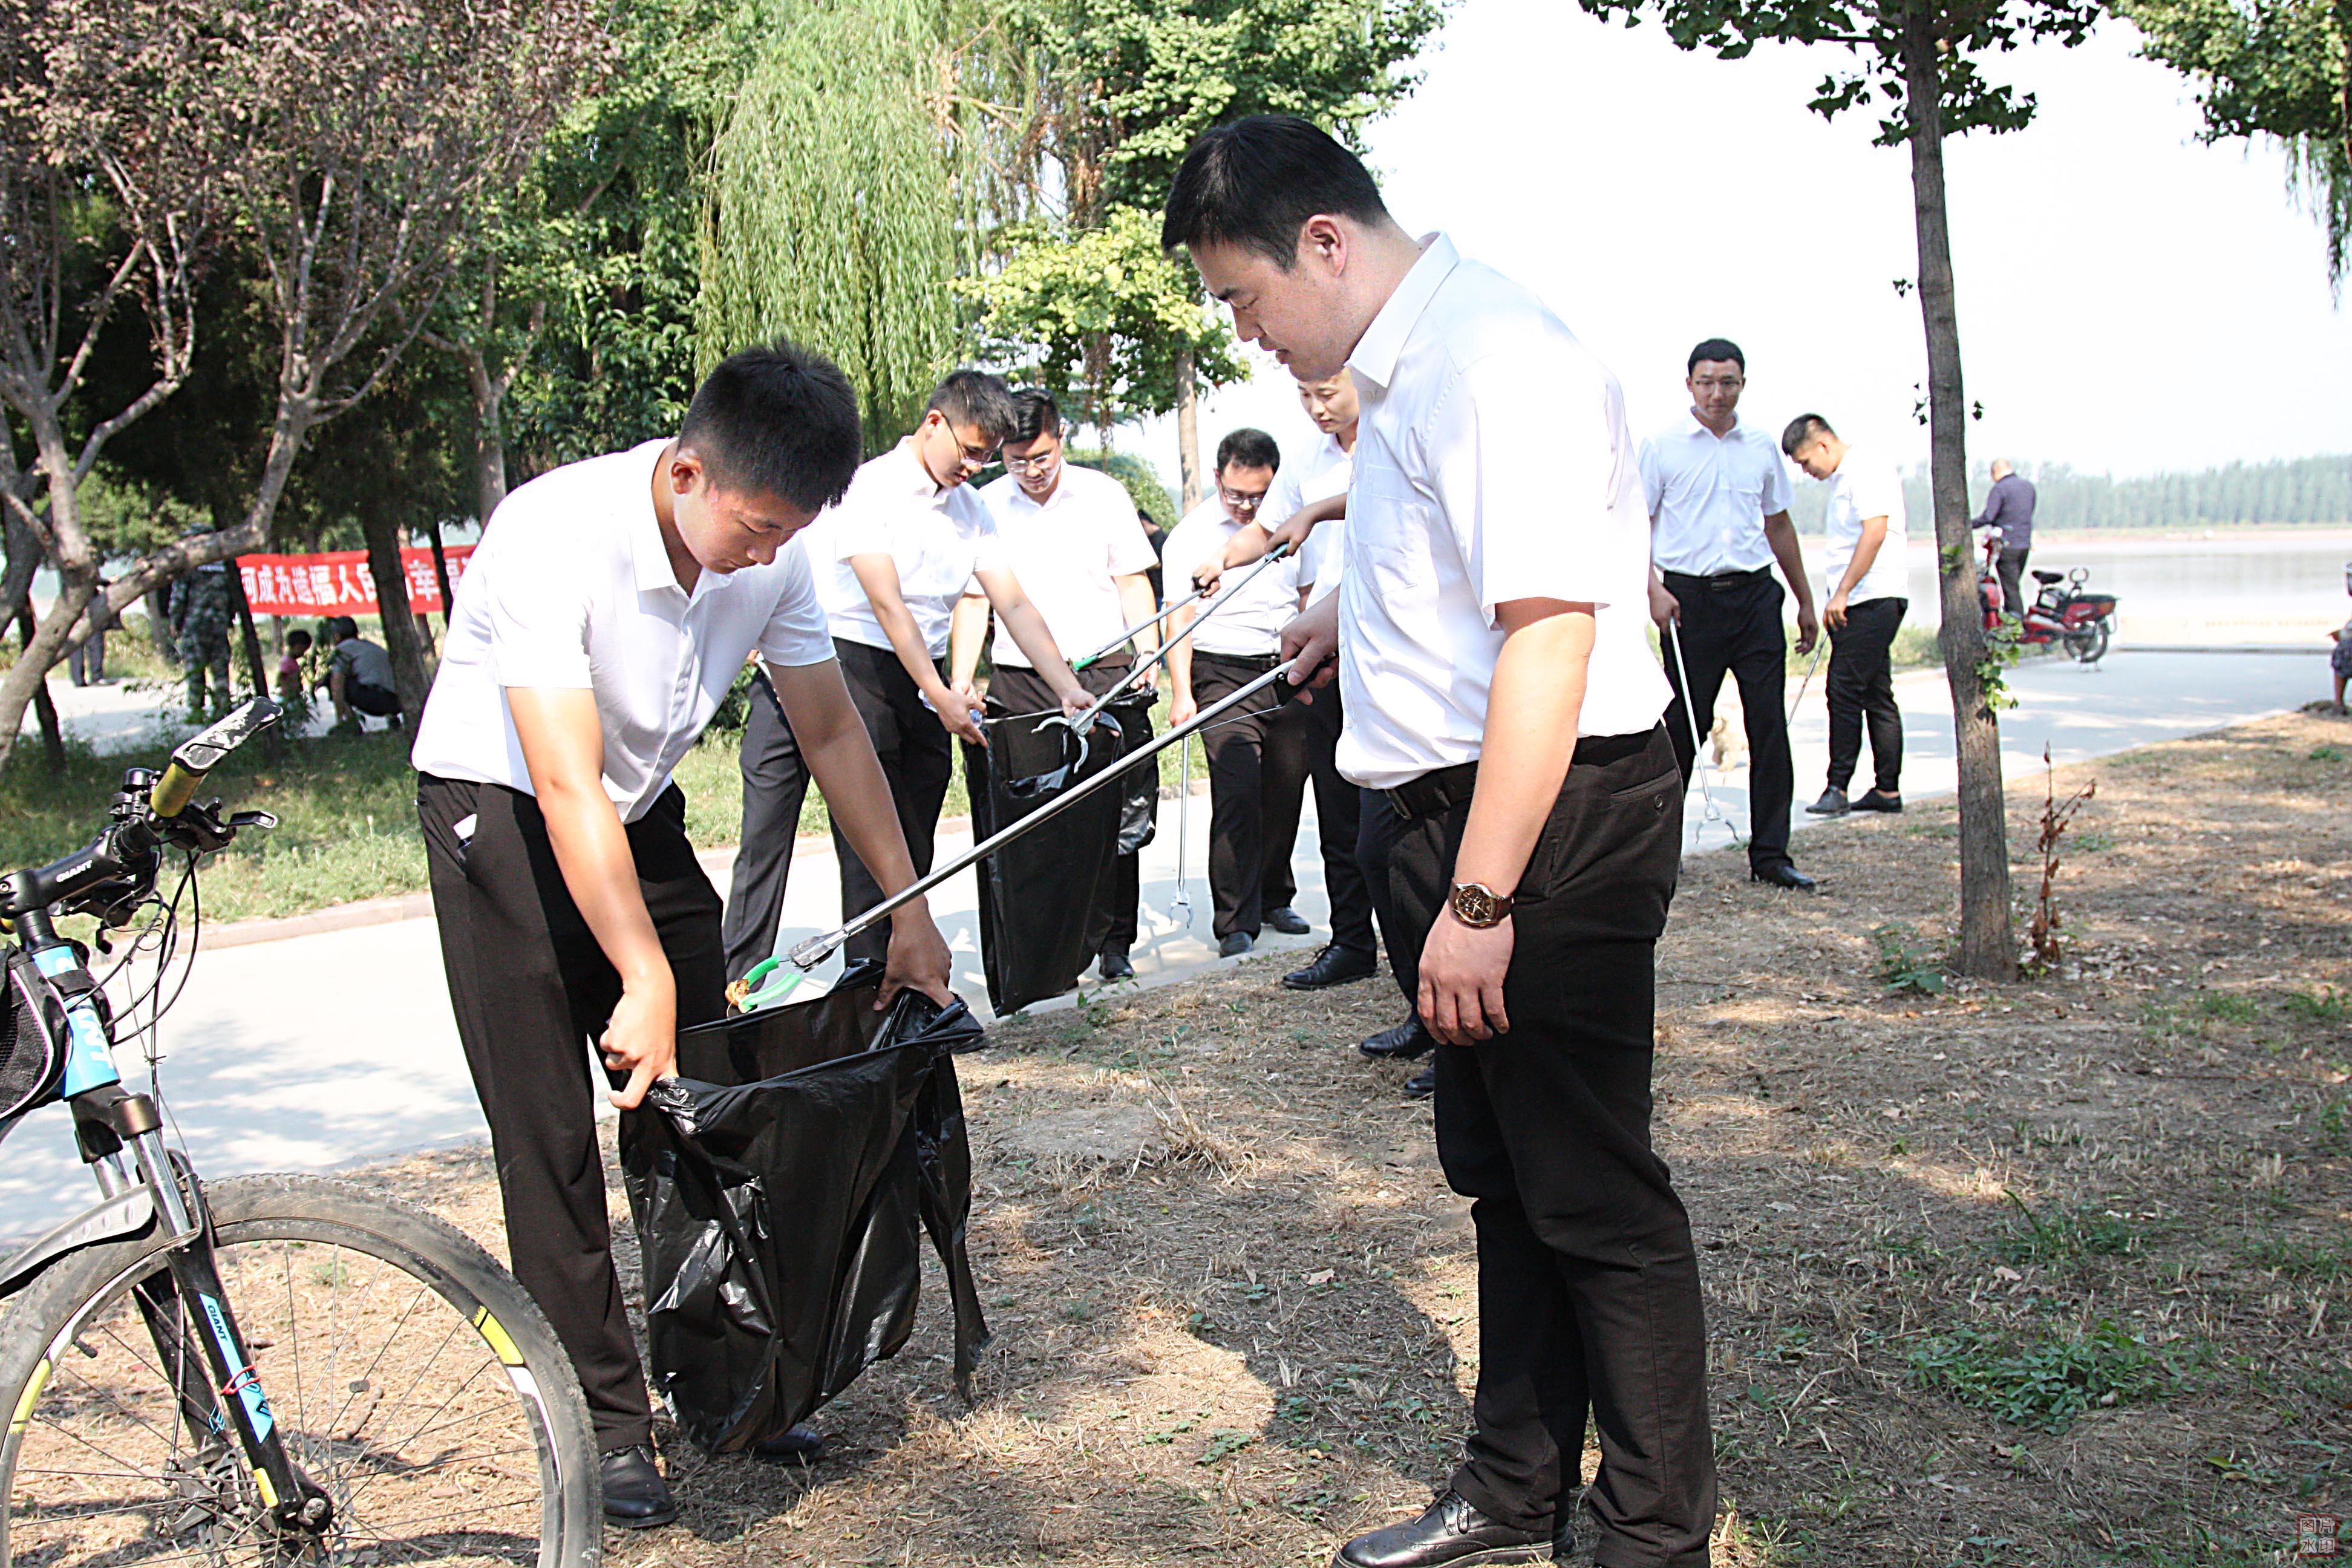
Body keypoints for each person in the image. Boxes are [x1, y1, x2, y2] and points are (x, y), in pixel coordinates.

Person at [1166, 115, 1713, 1567]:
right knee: (1506, 1177)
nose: (1249, 335)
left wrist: (1480, 900)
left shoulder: (1490, 360)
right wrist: (1353, 620)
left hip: (1538, 828)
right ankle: (1516, 1483)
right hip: (1445, 820)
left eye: (1244, 298)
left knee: (1592, 1192)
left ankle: (1652, 1531)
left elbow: (1551, 638)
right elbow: (1466, 577)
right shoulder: (1408, 373)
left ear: (1324, 244)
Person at [410, 339, 957, 1529]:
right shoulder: (551, 532)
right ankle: (606, 1425)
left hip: (628, 804)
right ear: (688, 472)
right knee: (551, 1136)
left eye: (787, 535)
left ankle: (734, 1377)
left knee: (704, 1097)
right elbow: (561, 784)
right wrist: (638, 972)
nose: (765, 555)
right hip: (500, 807)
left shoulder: (776, 551)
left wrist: (908, 909)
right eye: (755, 528)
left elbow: (832, 734)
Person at [813, 368, 1091, 967]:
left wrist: (1067, 687)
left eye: (986, 457)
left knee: (915, 844)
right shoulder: (870, 487)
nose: (975, 466)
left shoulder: (971, 509)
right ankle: (869, 991)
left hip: (926, 674)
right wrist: (938, 692)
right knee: (870, 848)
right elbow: (887, 604)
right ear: (934, 422)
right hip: (859, 668)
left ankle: (908, 980)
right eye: (969, 451)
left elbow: (1013, 604)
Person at [951, 389, 1162, 981]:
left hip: (1103, 675)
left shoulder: (1103, 495)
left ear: (1060, 437)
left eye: (1041, 457)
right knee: (1033, 825)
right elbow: (975, 602)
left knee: (1115, 816)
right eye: (1016, 461)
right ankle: (1047, 956)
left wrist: (1147, 651)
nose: (1032, 472)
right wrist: (962, 678)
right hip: (1021, 683)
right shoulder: (984, 504)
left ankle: (1114, 943)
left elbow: (1132, 582)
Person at [1642, 338, 1819, 892]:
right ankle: (1655, 855)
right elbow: (1633, 526)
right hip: (1689, 603)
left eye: (1728, 383)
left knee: (1769, 727)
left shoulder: (1761, 447)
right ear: (1689, 385)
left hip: (1755, 598)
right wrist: (1651, 589)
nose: (1717, 394)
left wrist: (1805, 600)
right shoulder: (1662, 447)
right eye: (1707, 383)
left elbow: (1779, 525)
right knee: (1683, 729)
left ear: (1742, 384)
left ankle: (1771, 855)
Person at [1160, 428, 1313, 958]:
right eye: (1236, 494)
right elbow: (1178, 619)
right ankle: (1235, 920)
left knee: (1285, 789)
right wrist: (1182, 693)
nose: (1247, 506)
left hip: (1287, 669)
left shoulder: (1291, 524)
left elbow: (1306, 596)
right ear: (1218, 478)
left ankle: (1275, 898)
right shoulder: (1192, 535)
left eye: (1258, 496)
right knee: (1238, 794)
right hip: (1222, 672)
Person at [1786, 414, 1907, 817]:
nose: (1806, 471)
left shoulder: (1866, 468)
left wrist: (1843, 592)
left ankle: (1837, 787)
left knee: (1842, 690)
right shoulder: (1843, 479)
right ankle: (1887, 790)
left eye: (1806, 462)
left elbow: (1875, 532)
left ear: (1823, 444)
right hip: (1858, 599)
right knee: (1876, 693)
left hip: (1872, 597)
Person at [165, 540, 234, 720]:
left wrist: (175, 622)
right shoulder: (225, 564)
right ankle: (222, 706)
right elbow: (235, 596)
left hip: (194, 626)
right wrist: (229, 619)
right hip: (218, 625)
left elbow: (179, 598)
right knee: (220, 668)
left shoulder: (189, 566)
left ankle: (196, 709)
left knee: (195, 668)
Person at [1971, 458, 2037, 622]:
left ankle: (2016, 626)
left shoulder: (2000, 489)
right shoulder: (2029, 487)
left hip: (2007, 546)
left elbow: (1989, 517)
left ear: (1994, 472)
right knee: (2013, 585)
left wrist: (1967, 525)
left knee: (2010, 589)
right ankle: (2011, 621)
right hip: (2024, 545)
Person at [322, 614, 401, 728]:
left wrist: (338, 720)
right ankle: (392, 718)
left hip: (375, 701)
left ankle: (349, 722)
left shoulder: (342, 649)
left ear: (337, 636)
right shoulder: (369, 646)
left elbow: (337, 685)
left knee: (331, 679)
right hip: (397, 702)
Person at [67, 575, 112, 686]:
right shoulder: (83, 573)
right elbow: (90, 578)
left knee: (79, 648)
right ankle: (94, 677)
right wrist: (108, 581)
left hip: (77, 615)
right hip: (89, 616)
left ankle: (79, 679)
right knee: (93, 646)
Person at [276, 627, 312, 705]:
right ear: (297, 647)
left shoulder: (292, 662)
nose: (303, 654)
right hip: (288, 699)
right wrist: (290, 691)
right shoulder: (287, 661)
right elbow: (281, 677)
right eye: (303, 650)